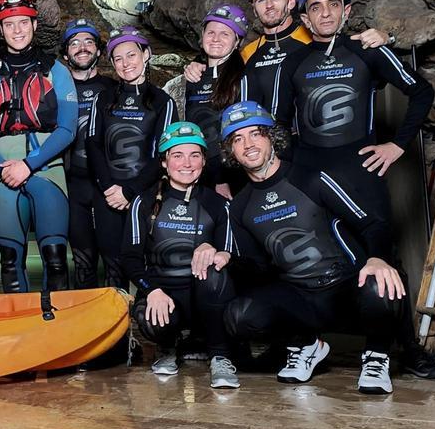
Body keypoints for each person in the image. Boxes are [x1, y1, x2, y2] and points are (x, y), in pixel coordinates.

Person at [273, 0, 435, 380]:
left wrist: (397, 146)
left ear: (347, 11)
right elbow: (279, 123)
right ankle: (310, 346)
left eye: (333, 4)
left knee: (383, 256)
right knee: (311, 259)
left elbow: (421, 92)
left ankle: (402, 351)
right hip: (310, 175)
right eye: (316, 7)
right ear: (305, 17)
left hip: (361, 169)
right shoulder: (294, 61)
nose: (325, 13)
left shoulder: (366, 49)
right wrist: (292, 168)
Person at [217, 101, 405, 394]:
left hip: (345, 288)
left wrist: (378, 259)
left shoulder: (310, 178)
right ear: (231, 151)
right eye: (237, 139)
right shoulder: (240, 206)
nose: (248, 144)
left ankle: (376, 355)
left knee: (380, 283)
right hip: (301, 300)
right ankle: (306, 345)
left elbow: (373, 224)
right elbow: (259, 269)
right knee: (239, 315)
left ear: (271, 138)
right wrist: (228, 258)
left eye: (255, 134)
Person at [122, 122, 238, 388]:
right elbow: (129, 259)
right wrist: (151, 290)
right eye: (177, 155)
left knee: (216, 270)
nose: (187, 163)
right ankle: (167, 347)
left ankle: (220, 355)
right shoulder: (144, 201)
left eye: (194, 155)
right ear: (164, 162)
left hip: (203, 299)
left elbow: (232, 254)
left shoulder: (218, 204)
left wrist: (218, 252)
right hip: (162, 294)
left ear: (203, 161)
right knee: (153, 321)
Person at [0, 0, 78, 293]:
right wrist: (3, 168)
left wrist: (28, 165)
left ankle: (58, 329)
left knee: (56, 260)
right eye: (9, 24)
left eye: (23, 23)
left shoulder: (56, 71)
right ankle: (17, 331)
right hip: (4, 173)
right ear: (0, 29)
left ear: (34, 25)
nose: (17, 30)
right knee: (9, 262)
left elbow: (67, 128)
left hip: (47, 171)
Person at [181, 0, 387, 114]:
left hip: (311, 143)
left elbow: (366, 72)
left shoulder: (315, 41)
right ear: (254, 8)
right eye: (261, 0)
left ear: (291, 1)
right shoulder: (247, 53)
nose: (269, 5)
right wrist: (199, 67)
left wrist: (387, 38)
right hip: (260, 147)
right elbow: (220, 69)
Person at [86, 26, 175, 288]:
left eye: (131, 55)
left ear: (145, 55)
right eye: (118, 58)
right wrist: (109, 188)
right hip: (108, 192)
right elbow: (93, 145)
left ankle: (149, 320)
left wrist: (130, 191)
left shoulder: (162, 102)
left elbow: (164, 155)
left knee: (143, 262)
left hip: (143, 194)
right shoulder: (103, 99)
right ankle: (119, 327)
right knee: (112, 265)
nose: (126, 64)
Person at [163, 5, 248, 195]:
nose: (216, 39)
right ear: (202, 36)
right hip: (197, 174)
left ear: (237, 41)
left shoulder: (245, 78)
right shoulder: (194, 78)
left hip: (234, 176)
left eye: (225, 34)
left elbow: (245, 133)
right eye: (211, 32)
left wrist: (222, 180)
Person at [61, 19, 117, 289]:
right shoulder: (58, 91)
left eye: (88, 42)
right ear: (65, 54)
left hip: (107, 186)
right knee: (83, 262)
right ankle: (87, 323)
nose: (82, 48)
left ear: (98, 51)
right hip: (72, 185)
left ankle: (121, 323)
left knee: (114, 259)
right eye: (74, 43)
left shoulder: (114, 89)